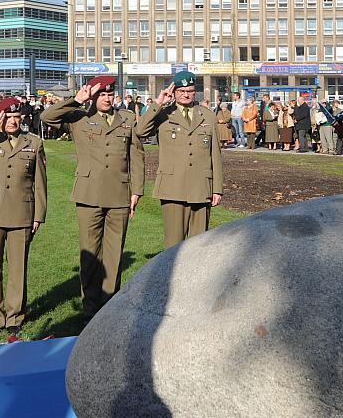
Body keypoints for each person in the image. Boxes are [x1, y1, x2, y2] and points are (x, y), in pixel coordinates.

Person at [41, 76, 144, 321]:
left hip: (119, 194)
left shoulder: (126, 119)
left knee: (114, 255)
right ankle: (89, 308)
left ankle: (109, 309)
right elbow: (47, 117)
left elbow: (136, 156)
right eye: (101, 95)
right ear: (92, 96)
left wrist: (136, 191)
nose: (107, 99)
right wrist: (76, 100)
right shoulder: (79, 118)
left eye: (110, 94)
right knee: (89, 254)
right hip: (89, 194)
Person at [0, 99, 47, 339]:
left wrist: (38, 215)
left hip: (22, 214)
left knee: (17, 269)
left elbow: (40, 183)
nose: (13, 121)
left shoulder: (33, 143)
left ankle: (14, 317)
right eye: (8, 117)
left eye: (16, 117)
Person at [135, 71, 223, 248]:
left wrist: (217, 189)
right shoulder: (164, 114)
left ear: (195, 92)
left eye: (190, 91)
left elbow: (215, 154)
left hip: (201, 187)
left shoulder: (207, 116)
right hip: (172, 187)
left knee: (199, 246)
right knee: (173, 246)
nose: (186, 94)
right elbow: (140, 131)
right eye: (181, 91)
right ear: (174, 92)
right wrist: (158, 103)